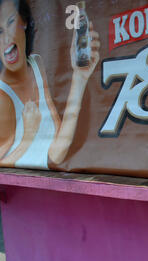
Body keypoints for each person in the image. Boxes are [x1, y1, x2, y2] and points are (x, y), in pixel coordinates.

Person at [0, 0, 100, 169]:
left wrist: (79, 78)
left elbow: (56, 152)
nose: (7, 38)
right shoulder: (3, 97)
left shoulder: (36, 64)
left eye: (10, 22)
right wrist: (28, 137)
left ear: (23, 23)